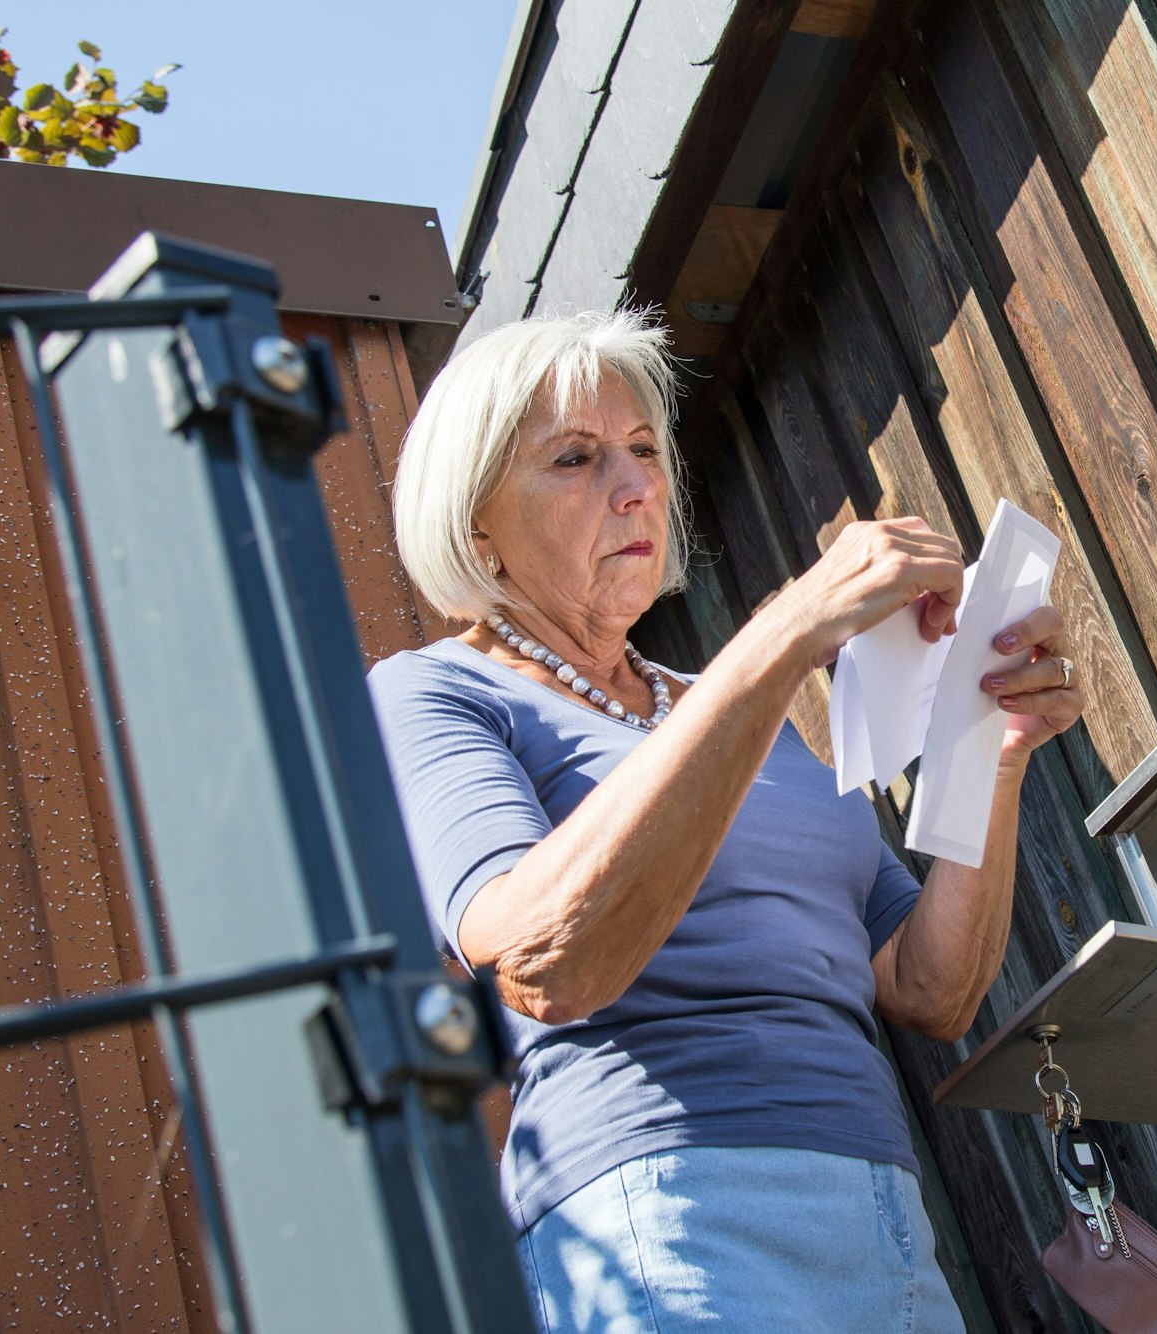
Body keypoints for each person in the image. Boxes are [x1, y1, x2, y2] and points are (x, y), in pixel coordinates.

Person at [367, 310, 1085, 1333]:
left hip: (875, 1205)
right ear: (476, 521)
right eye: (575, 457)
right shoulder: (437, 692)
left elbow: (929, 985)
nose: (636, 486)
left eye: (645, 450)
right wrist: (791, 628)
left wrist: (992, 746)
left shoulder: (733, 706)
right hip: (662, 1205)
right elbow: (540, 958)